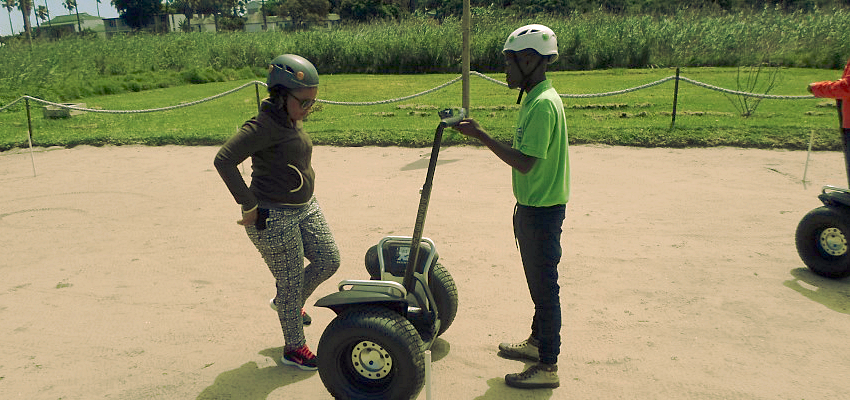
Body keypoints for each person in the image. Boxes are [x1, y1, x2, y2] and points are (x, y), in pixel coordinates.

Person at [452, 24, 568, 390]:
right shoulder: (536, 98)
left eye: (509, 61)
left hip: (541, 210)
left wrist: (481, 135)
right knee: (538, 284)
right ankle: (537, 343)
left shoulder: (543, 105)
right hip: (536, 205)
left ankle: (548, 365)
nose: (505, 69)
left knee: (545, 289)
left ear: (530, 60)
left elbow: (525, 162)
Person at [214, 54, 340, 371]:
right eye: (304, 102)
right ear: (282, 95)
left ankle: (288, 303)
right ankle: (294, 348)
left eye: (313, 102)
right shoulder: (263, 126)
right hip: (274, 217)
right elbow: (224, 160)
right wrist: (248, 204)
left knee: (329, 260)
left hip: (305, 207)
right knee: (291, 282)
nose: (309, 108)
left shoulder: (289, 118)